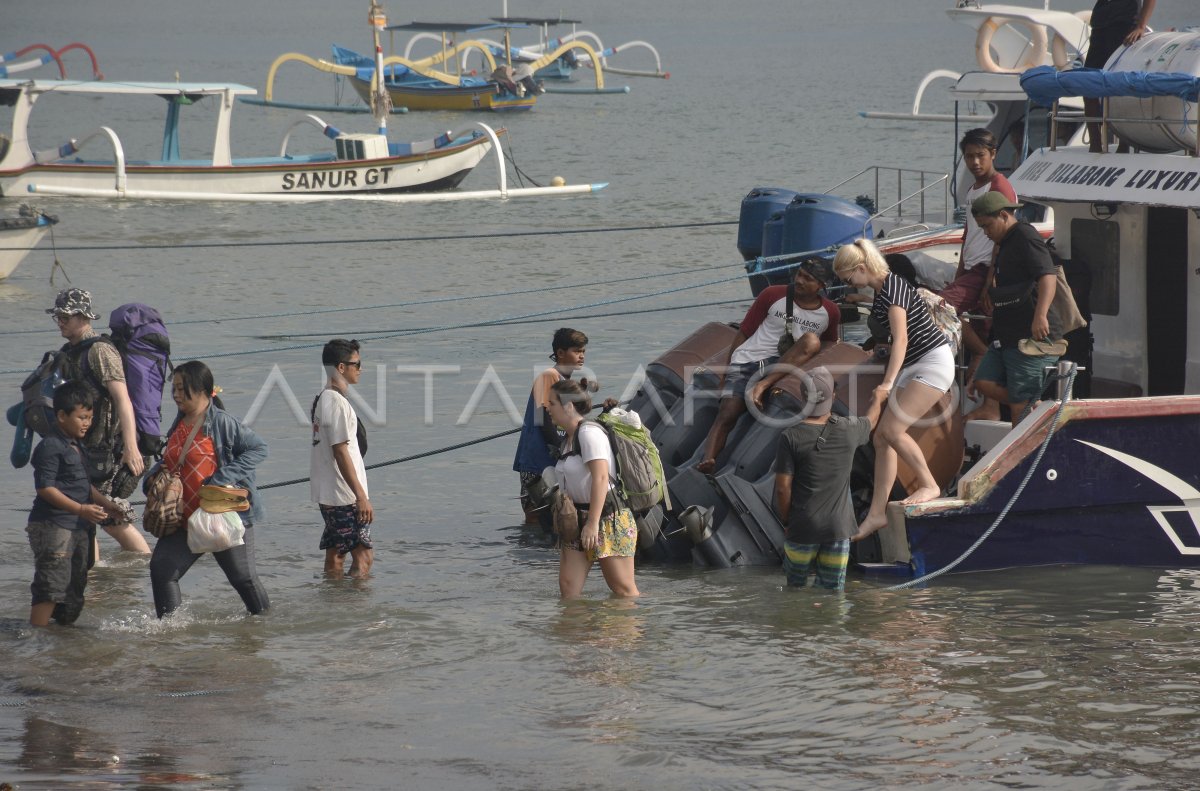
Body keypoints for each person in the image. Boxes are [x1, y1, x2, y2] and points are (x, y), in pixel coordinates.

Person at [833, 238, 955, 541]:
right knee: (881, 440)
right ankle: (877, 513)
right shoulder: (880, 292)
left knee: (890, 432)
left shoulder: (894, 287)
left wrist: (886, 384)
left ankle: (929, 484)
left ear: (862, 268)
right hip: (912, 366)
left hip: (931, 364)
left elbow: (901, 339)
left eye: (849, 279)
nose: (850, 284)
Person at [148, 361, 270, 619]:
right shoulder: (179, 423)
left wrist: (220, 478)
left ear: (202, 388)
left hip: (220, 514)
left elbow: (259, 448)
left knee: (243, 579)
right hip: (184, 518)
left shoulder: (223, 423)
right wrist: (152, 477)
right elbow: (171, 459)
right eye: (175, 389)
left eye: (182, 389)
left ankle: (264, 629)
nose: (176, 395)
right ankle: (171, 636)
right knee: (162, 571)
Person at [697, 259, 840, 474]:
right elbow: (744, 332)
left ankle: (762, 386)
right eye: (799, 274)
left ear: (821, 286)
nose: (799, 280)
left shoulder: (830, 312)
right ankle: (708, 460)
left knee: (812, 341)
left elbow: (828, 344)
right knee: (728, 412)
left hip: (783, 365)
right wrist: (726, 372)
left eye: (807, 279)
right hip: (748, 360)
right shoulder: (773, 294)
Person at [45, 288, 150, 554]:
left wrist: (130, 447)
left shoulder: (100, 351)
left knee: (106, 518)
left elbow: (123, 398)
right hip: (85, 448)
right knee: (93, 516)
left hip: (110, 449)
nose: (60, 321)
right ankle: (96, 575)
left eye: (65, 316)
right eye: (57, 316)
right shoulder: (67, 352)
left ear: (83, 316)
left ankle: (145, 568)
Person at [773, 368, 888, 591]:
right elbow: (872, 420)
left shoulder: (790, 437)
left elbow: (782, 489)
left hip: (803, 528)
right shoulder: (848, 430)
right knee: (832, 593)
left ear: (803, 397)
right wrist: (878, 398)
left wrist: (787, 521)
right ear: (833, 397)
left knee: (794, 590)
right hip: (838, 528)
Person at [26, 382, 122, 626]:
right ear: (61, 416)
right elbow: (45, 488)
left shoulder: (77, 446)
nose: (87, 423)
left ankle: (60, 642)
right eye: (81, 417)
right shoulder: (50, 446)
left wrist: (108, 505)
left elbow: (84, 486)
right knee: (52, 584)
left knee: (74, 591)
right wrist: (80, 509)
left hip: (79, 526)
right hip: (54, 525)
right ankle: (34, 640)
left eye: (89, 417)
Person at [939, 129, 1018, 420]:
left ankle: (980, 355)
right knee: (978, 325)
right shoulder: (973, 190)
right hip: (971, 268)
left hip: (987, 269)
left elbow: (1005, 233)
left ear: (993, 154)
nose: (974, 162)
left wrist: (989, 281)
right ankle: (989, 406)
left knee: (939, 306)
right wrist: (960, 274)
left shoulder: (1000, 185)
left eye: (980, 155)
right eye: (968, 156)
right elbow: (968, 235)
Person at [967, 192, 1061, 425]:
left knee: (1019, 414)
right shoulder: (1004, 242)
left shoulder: (1025, 236)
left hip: (1030, 335)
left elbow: (1048, 276)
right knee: (983, 381)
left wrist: (1040, 316)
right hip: (1006, 335)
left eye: (987, 226)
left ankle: (1027, 414)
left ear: (1004, 215)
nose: (986, 233)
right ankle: (1032, 405)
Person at [547, 379, 639, 598]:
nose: (547, 408)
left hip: (607, 518)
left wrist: (592, 524)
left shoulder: (589, 433)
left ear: (568, 406)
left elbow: (600, 478)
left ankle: (633, 630)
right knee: (569, 590)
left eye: (552, 403)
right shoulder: (568, 439)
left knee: (623, 590)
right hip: (576, 520)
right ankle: (580, 631)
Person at [311, 339, 374, 579]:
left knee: (336, 555)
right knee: (364, 557)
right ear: (340, 367)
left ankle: (335, 605)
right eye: (356, 364)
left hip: (330, 491)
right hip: (343, 494)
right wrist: (361, 496)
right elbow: (340, 451)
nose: (360, 369)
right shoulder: (335, 403)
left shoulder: (321, 398)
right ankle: (356, 610)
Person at [513, 328, 589, 525]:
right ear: (560, 353)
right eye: (576, 350)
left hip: (553, 459)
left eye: (583, 351)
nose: (581, 355)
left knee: (557, 517)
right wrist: (567, 448)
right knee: (536, 517)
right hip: (537, 461)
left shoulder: (567, 381)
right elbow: (542, 419)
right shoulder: (549, 376)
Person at [1085, 0, 1156, 153]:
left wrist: (1141, 26)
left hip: (1125, 26)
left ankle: (1124, 144)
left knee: (1119, 84)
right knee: (1088, 83)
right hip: (1100, 25)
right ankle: (1095, 143)